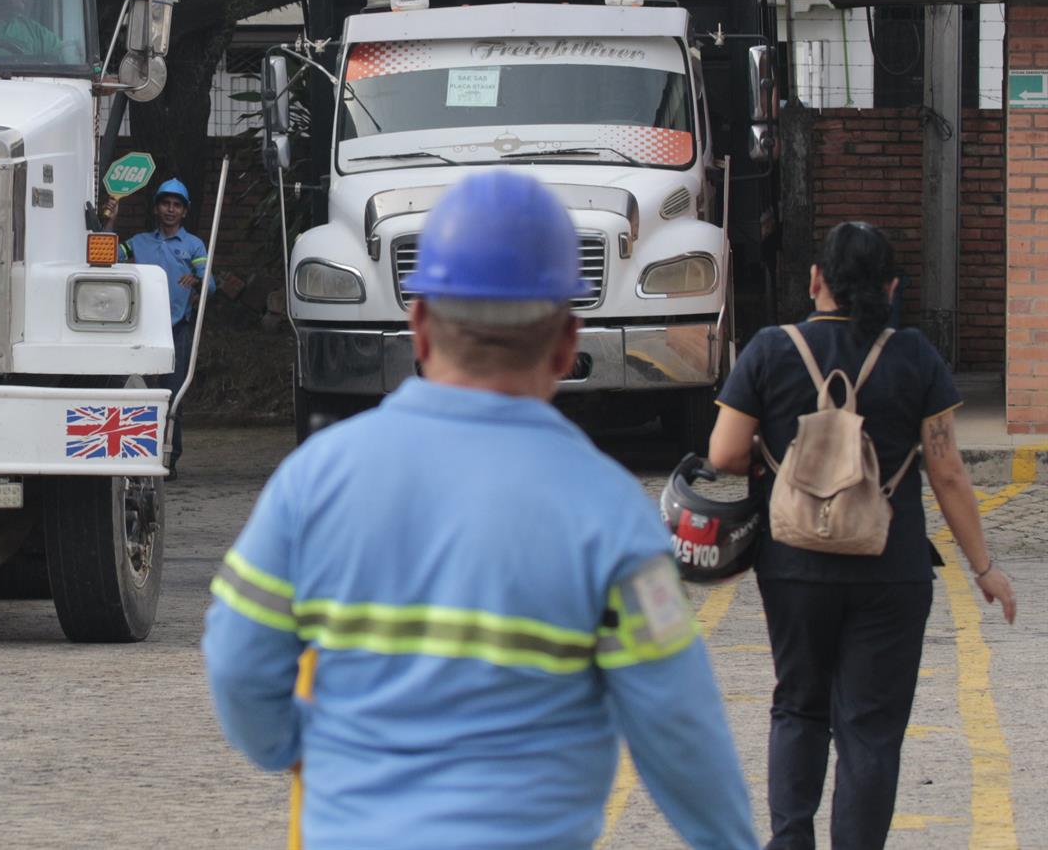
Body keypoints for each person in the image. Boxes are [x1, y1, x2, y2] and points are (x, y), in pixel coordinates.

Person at [203, 169, 757, 850]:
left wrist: (290, 744)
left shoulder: (314, 480)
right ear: (564, 343)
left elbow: (237, 659)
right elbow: (677, 722)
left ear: (421, 327)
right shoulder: (611, 512)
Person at [707, 221, 1016, 850]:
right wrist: (984, 568)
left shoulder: (770, 348)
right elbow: (949, 471)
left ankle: (790, 840)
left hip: (792, 564)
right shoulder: (915, 356)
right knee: (870, 729)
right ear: (892, 287)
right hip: (891, 569)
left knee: (798, 704)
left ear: (816, 280)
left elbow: (725, 453)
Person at [119, 178, 213, 475]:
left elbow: (210, 283)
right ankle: (140, 456)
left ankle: (169, 457)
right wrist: (109, 219)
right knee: (142, 393)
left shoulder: (193, 245)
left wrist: (197, 281)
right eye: (165, 204)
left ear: (184, 212)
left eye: (176, 205)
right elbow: (106, 254)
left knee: (174, 395)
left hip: (178, 330)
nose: (170, 210)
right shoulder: (139, 242)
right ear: (157, 208)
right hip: (143, 330)